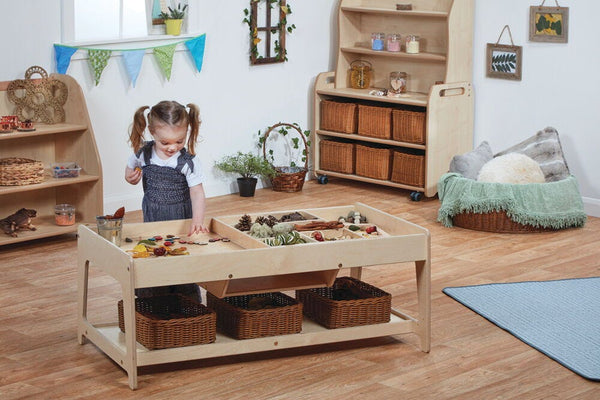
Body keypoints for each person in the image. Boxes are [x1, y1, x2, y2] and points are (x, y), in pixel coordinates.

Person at [125, 100, 208, 300]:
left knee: (179, 255)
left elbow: (197, 192)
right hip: (152, 214)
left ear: (187, 132)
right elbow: (131, 166)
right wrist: (130, 177)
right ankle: (154, 297)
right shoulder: (144, 152)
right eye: (166, 142)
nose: (173, 147)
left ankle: (184, 297)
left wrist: (197, 220)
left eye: (179, 141)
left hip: (179, 216)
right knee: (154, 251)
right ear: (152, 132)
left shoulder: (187, 161)